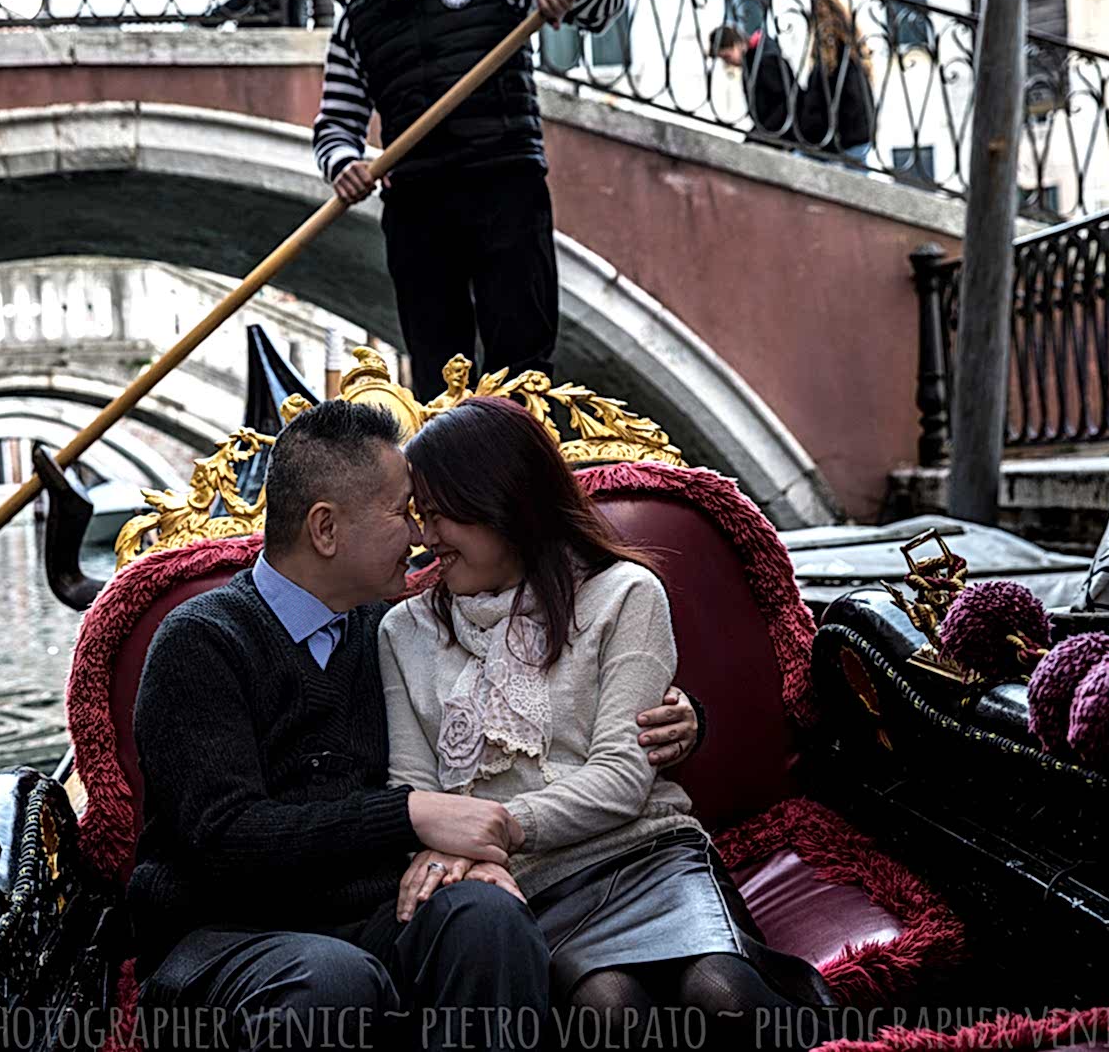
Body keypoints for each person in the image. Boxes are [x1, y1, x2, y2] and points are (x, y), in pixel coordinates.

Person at [129, 399, 701, 1050]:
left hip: (368, 918)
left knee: (488, 915)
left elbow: (523, 689)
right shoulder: (202, 641)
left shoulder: (386, 629)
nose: (420, 534)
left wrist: (687, 718)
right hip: (224, 938)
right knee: (332, 979)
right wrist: (411, 817)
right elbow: (224, 835)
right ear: (326, 530)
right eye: (404, 511)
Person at [380, 396, 836, 1051]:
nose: (427, 536)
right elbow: (412, 789)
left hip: (647, 856)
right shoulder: (404, 628)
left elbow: (623, 777)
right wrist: (453, 840)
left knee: (725, 993)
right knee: (608, 1007)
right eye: (419, 514)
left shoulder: (626, 594)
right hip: (528, 887)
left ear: (504, 502)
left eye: (441, 512)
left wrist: (499, 824)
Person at [311, 0, 626, 402]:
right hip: (417, 208)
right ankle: (449, 463)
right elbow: (335, 125)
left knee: (523, 364)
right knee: (438, 376)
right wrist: (343, 165)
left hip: (506, 188)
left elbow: (606, 7)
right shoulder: (358, 18)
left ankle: (519, 460)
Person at [797, 0, 876, 165]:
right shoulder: (853, 54)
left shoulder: (830, 63)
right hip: (859, 139)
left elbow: (818, 107)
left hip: (840, 144)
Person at [709, 23, 800, 144]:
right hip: (772, 129)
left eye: (727, 57)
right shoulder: (752, 60)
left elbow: (785, 103)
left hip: (781, 131)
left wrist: (761, 135)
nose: (728, 63)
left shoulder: (766, 60)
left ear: (737, 44)